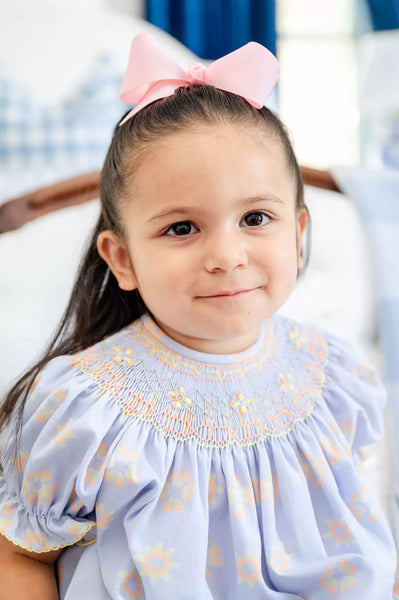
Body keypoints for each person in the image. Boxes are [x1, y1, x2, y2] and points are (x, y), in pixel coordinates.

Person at [0, 32, 397, 600]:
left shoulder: (332, 377)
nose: (227, 257)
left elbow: (355, 532)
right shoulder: (86, 407)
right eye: (181, 228)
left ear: (300, 231)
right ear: (123, 258)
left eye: (257, 218)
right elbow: (19, 553)